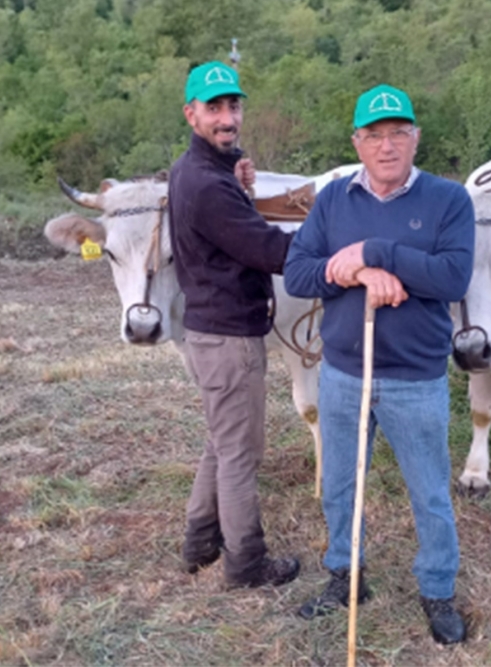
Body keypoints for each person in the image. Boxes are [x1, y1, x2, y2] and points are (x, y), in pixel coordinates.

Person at [283, 84, 475, 644]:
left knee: (430, 492)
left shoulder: (448, 200)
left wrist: (376, 253)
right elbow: (298, 274)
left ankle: (437, 589)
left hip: (416, 377)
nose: (386, 146)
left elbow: (451, 278)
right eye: (373, 136)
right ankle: (346, 575)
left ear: (415, 138)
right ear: (357, 143)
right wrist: (354, 273)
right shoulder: (334, 199)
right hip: (343, 372)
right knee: (342, 484)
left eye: (397, 134)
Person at [167, 60, 300, 588]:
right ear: (190, 114)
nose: (227, 118)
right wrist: (338, 243)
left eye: (233, 106)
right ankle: (246, 565)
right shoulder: (207, 185)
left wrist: (238, 171)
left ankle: (199, 543)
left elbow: (228, 206)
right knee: (242, 455)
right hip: (229, 340)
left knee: (221, 444)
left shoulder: (193, 171)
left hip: (209, 331)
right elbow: (267, 248)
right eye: (214, 108)